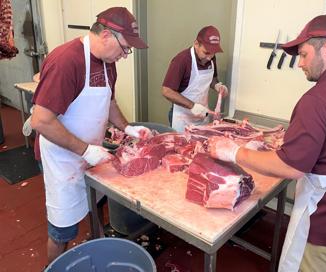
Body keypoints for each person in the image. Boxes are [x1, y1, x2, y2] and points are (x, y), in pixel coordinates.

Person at [208, 14, 326, 272]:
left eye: (304, 54)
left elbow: (291, 167)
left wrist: (234, 152)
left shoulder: (320, 97)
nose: (300, 64)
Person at [30, 7, 151, 263]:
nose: (125, 55)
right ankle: (53, 268)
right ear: (106, 35)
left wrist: (127, 127)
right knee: (62, 231)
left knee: (93, 208)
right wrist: (85, 150)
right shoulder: (67, 60)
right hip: (62, 160)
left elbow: (109, 102)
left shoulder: (108, 63)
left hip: (90, 155)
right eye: (125, 48)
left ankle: (95, 254)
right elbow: (41, 120)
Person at [161, 25, 229, 132]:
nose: (209, 57)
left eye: (213, 53)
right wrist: (192, 106)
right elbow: (166, 91)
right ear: (196, 44)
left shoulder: (211, 57)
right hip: (182, 119)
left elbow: (211, 78)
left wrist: (217, 85)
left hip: (202, 116)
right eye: (206, 52)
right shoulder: (182, 60)